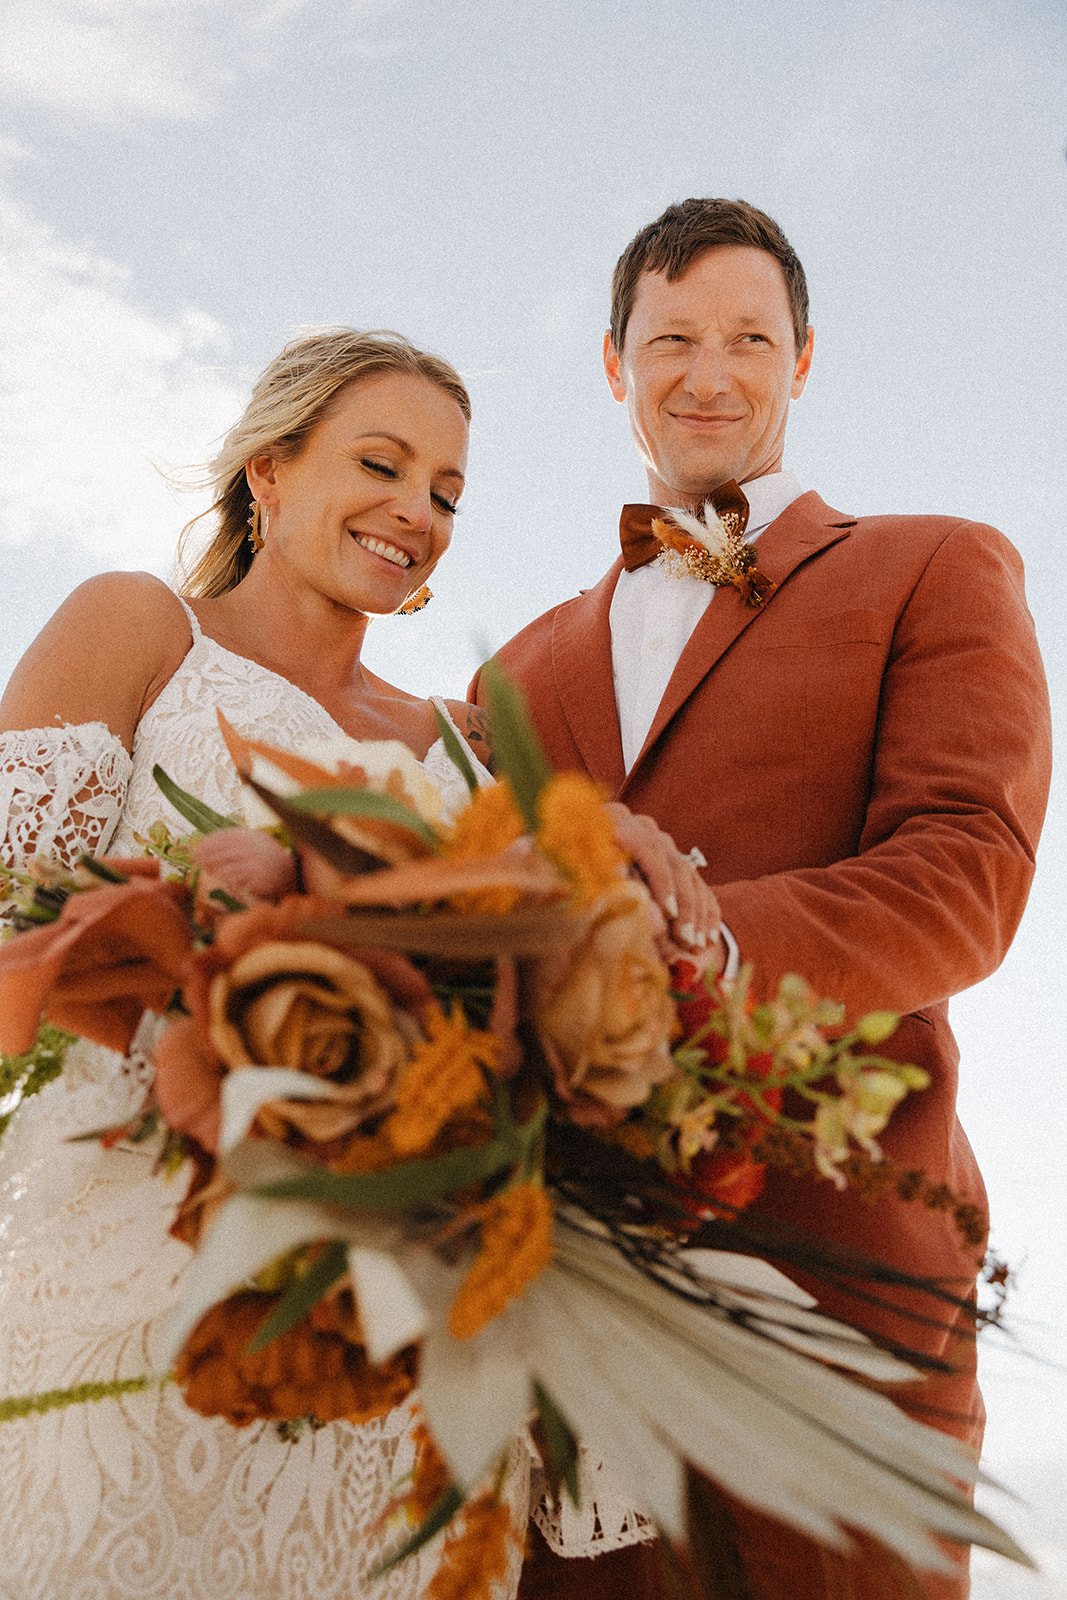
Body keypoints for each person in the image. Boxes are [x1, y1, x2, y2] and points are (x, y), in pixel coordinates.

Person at [0, 327, 707, 1597]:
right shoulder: (137, 626)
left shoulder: (463, 747)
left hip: (385, 1344)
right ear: (268, 470)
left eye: (444, 493)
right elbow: (6, 926)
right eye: (379, 464)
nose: (415, 512)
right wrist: (213, 1046)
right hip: (126, 1266)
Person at [473, 200, 1052, 1600]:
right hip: (555, 1318)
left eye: (748, 338)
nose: (708, 373)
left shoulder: (933, 563)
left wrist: (700, 949)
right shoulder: (516, 676)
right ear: (612, 366)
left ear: (803, 362)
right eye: (668, 339)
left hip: (840, 1293)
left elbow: (961, 874)